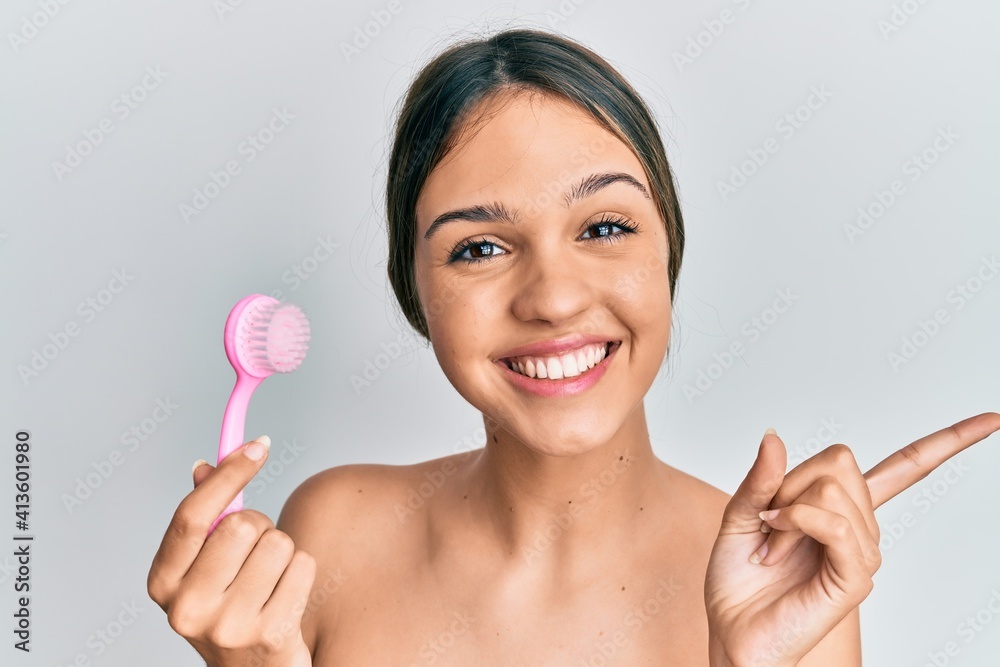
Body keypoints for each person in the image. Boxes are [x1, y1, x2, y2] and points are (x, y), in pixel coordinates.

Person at [146, 27, 1000, 666]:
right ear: (416, 291)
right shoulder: (331, 532)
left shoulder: (786, 579)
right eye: (478, 247)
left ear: (669, 253)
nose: (553, 297)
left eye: (604, 226)